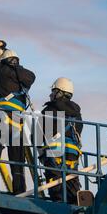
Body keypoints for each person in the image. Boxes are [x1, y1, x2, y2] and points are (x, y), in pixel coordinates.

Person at [0, 40, 36, 202]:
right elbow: (31, 76)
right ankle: (20, 193)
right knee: (17, 160)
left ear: (4, 60)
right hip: (17, 121)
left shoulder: (1, 70)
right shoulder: (26, 76)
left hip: (1, 117)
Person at [40, 77, 83, 205]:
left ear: (60, 92)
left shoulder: (50, 110)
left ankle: (58, 203)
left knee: (55, 183)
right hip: (73, 153)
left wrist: (40, 151)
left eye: (54, 91)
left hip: (55, 151)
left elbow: (39, 135)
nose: (51, 94)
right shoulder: (77, 115)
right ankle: (75, 206)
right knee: (72, 181)